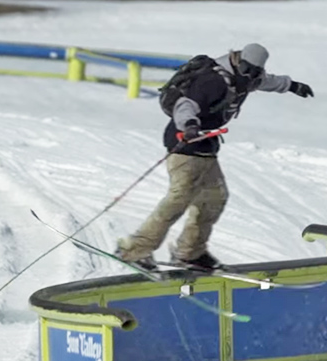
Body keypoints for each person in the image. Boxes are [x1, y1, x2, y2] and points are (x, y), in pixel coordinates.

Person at [116, 43, 314, 270]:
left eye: (254, 71)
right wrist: (190, 124)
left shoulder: (246, 77)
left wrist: (292, 86)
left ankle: (189, 253)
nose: (249, 74)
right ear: (238, 59)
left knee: (214, 198)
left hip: (206, 146)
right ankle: (134, 250)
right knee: (178, 199)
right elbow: (185, 104)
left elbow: (266, 81)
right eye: (247, 68)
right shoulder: (213, 79)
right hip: (185, 142)